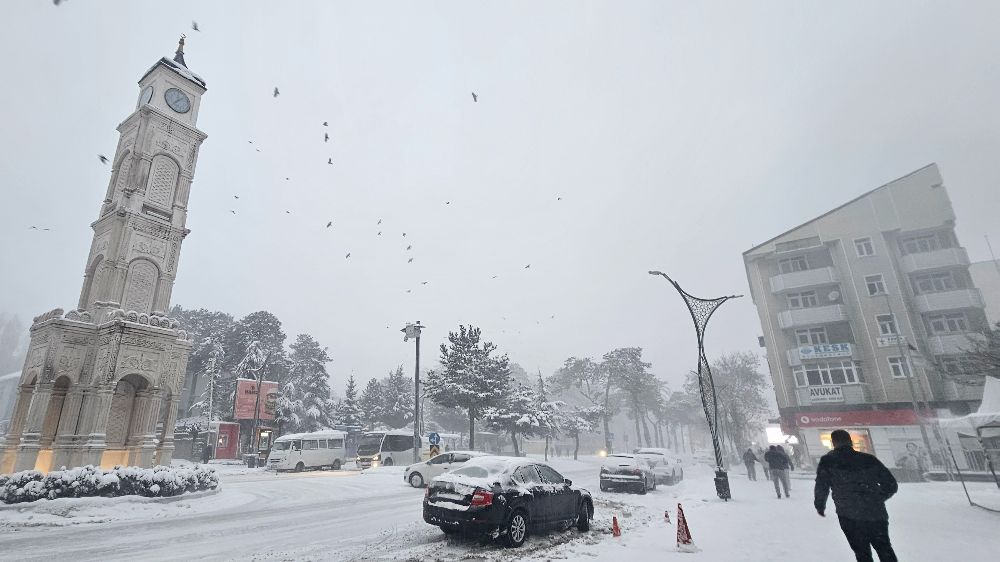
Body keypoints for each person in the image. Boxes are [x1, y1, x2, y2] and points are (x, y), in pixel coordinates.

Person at [815, 429, 898, 562]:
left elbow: (822, 485)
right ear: (851, 442)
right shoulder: (869, 459)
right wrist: (877, 498)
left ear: (833, 443)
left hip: (848, 515)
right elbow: (891, 484)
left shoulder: (828, 461)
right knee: (884, 549)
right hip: (875, 513)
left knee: (862, 553)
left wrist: (820, 505)